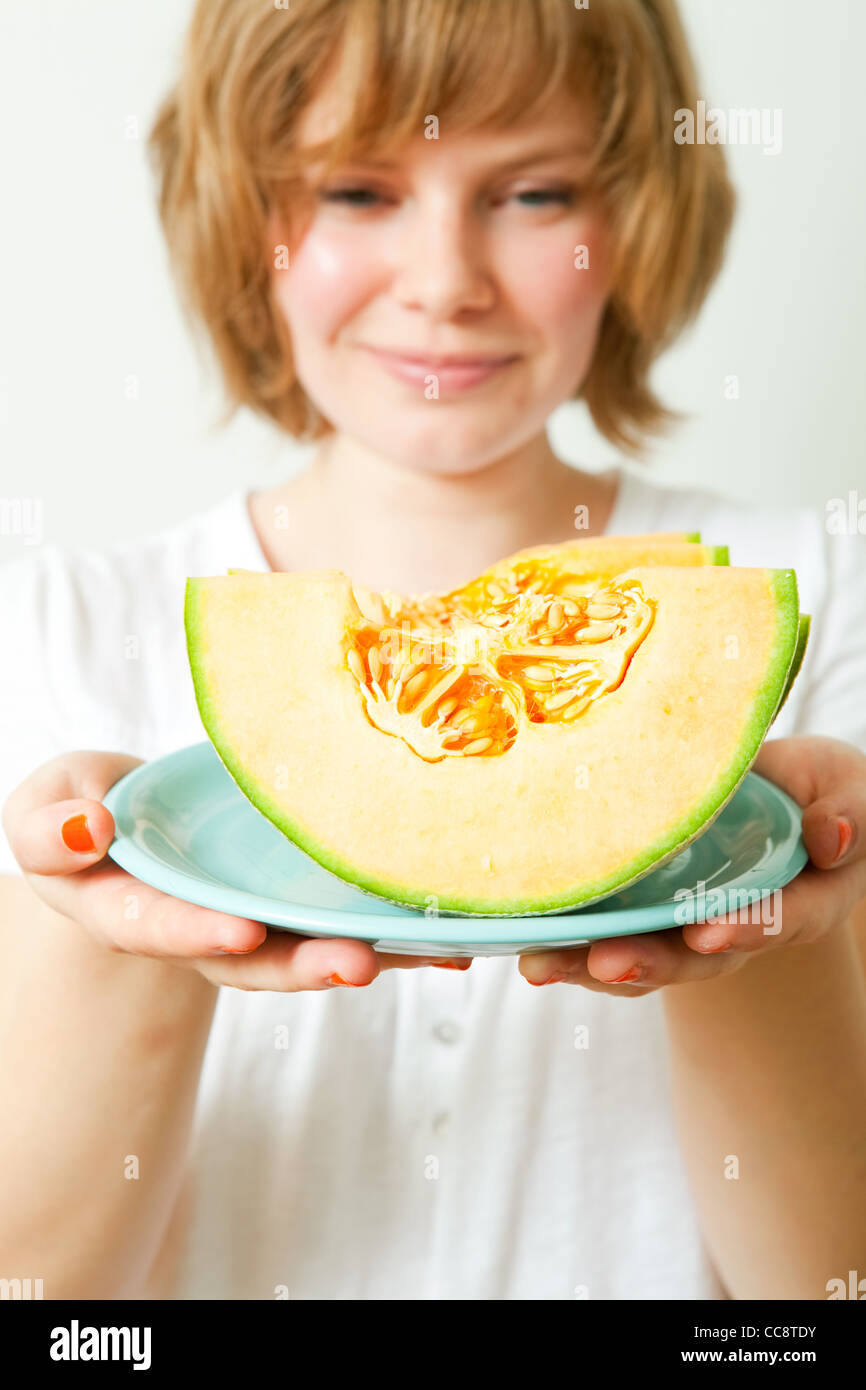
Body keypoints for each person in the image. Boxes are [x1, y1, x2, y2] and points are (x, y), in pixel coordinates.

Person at [1, 0, 865, 1301]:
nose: (444, 278)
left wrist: (742, 904)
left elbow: (825, 1297)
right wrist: (130, 945)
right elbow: (48, 1306)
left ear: (632, 215)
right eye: (356, 188)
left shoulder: (824, 599)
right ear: (250, 219)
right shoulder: (53, 636)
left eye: (532, 191)